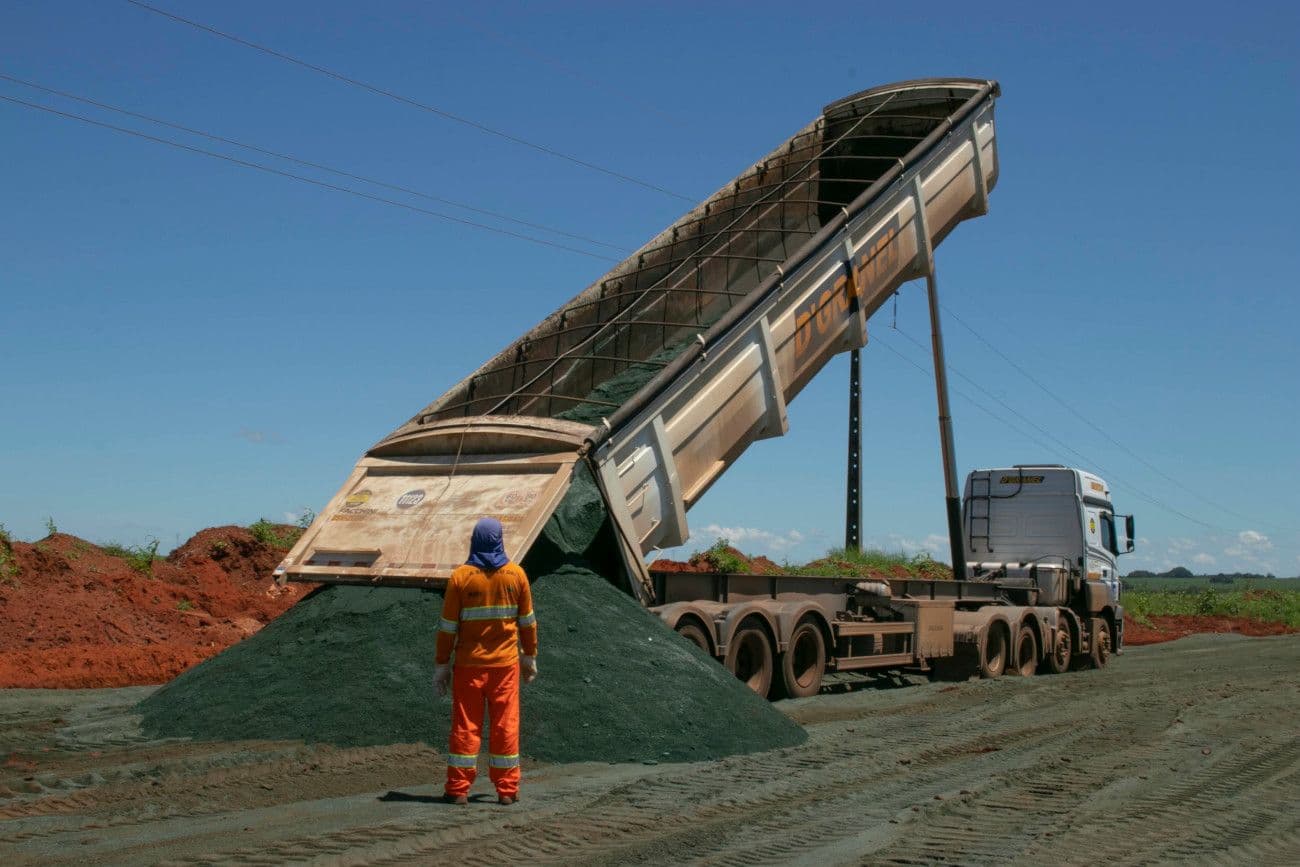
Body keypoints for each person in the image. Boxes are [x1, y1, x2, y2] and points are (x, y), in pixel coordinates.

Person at [434, 516, 538, 806]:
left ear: (475, 541)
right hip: (505, 667)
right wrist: (529, 656)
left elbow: (447, 627)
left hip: (468, 666)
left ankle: (458, 789)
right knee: (506, 725)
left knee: (465, 727)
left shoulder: (460, 577)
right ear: (499, 540)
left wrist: (442, 664)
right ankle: (507, 790)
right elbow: (528, 623)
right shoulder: (516, 575)